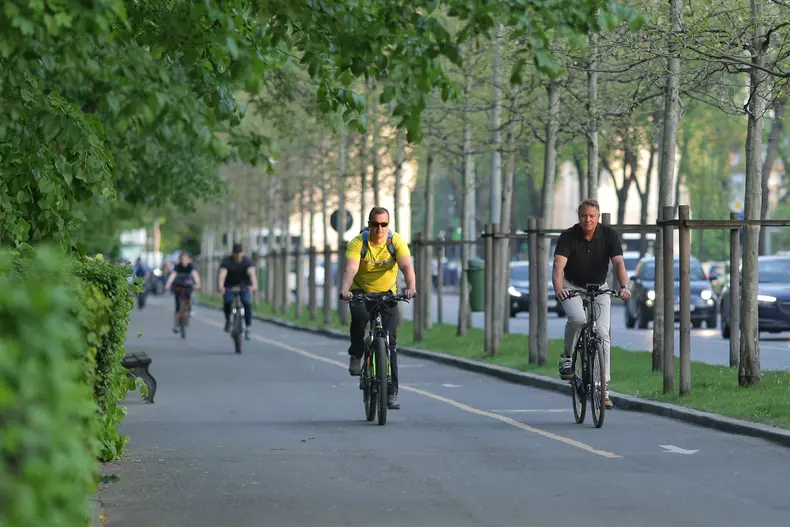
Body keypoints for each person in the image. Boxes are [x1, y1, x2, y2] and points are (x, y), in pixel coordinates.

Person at [553, 199, 631, 408]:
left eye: (592, 216)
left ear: (598, 217)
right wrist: (559, 289)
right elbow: (558, 267)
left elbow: (618, 263)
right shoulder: (568, 236)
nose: (588, 219)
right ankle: (567, 357)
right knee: (578, 318)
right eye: (584, 216)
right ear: (579, 217)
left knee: (603, 334)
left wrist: (624, 286)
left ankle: (601, 387)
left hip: (599, 287)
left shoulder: (609, 235)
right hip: (572, 286)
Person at [339, 207, 417, 410]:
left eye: (384, 224)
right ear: (369, 224)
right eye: (375, 224)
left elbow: (406, 266)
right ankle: (356, 355)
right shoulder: (358, 243)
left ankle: (391, 393)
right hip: (360, 291)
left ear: (388, 225)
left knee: (390, 342)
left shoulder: (395, 241)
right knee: (359, 317)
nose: (379, 229)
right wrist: (345, 289)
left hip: (386, 294)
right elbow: (351, 267)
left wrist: (411, 287)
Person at [218, 243, 258, 338]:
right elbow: (222, 274)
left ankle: (248, 326)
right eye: (236, 253)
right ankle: (228, 320)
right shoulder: (227, 261)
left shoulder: (247, 261)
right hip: (230, 286)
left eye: (239, 253)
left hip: (244, 286)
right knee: (227, 301)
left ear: (242, 253)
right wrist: (221, 286)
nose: (238, 255)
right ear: (233, 254)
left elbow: (252, 274)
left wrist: (254, 285)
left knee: (247, 303)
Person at [165, 252, 201, 332]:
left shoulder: (191, 267)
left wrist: (198, 284)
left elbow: (195, 275)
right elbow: (173, 275)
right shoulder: (178, 266)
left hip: (187, 285)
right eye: (183, 259)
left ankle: (189, 310)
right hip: (178, 285)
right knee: (177, 304)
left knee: (189, 298)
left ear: (189, 260)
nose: (184, 261)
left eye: (186, 259)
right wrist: (168, 284)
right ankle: (176, 323)